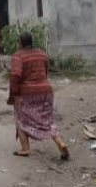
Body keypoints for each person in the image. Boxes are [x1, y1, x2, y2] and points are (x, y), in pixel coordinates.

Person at [7, 32, 69, 160]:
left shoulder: (18, 56)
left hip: (27, 93)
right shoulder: (42, 53)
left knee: (21, 119)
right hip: (46, 91)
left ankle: (25, 148)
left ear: (20, 42)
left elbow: (15, 76)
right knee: (48, 120)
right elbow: (45, 72)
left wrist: (15, 94)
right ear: (31, 41)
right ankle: (60, 143)